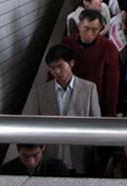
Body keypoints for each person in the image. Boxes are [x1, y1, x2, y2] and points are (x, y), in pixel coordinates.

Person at [31, 44, 101, 175]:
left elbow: (96, 123)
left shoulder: (89, 89)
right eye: (52, 68)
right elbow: (34, 124)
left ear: (71, 63)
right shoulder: (41, 92)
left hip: (79, 158)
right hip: (52, 158)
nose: (57, 72)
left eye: (60, 66)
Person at [62, 9, 120, 117]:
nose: (89, 33)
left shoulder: (108, 47)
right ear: (79, 26)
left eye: (94, 30)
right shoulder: (67, 43)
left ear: (100, 29)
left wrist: (109, 114)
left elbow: (112, 83)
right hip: (70, 99)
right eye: (86, 29)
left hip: (95, 100)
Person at [0, 144, 69, 177]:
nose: (31, 162)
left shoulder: (59, 169)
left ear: (43, 148)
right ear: (18, 151)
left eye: (35, 155)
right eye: (25, 156)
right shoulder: (5, 171)